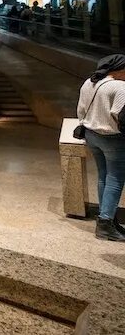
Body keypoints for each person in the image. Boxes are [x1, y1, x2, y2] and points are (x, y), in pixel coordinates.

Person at [77, 54, 125, 241]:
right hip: (111, 138)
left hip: (91, 135)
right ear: (119, 70)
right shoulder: (120, 87)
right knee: (115, 179)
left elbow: (81, 110)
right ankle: (105, 224)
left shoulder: (88, 83)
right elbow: (120, 116)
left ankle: (108, 217)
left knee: (103, 176)